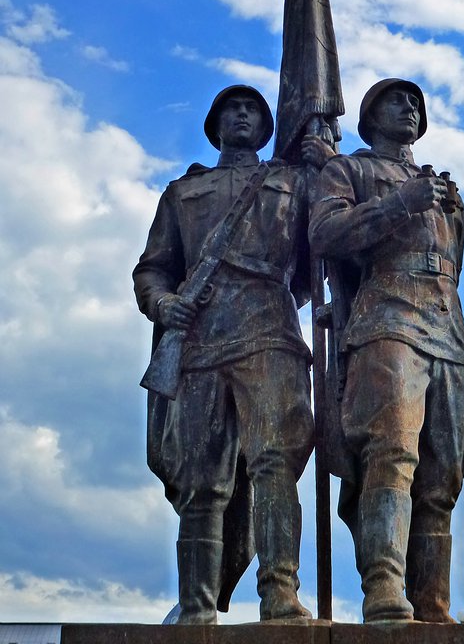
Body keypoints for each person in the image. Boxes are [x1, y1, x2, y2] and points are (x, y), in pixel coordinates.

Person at [133, 85, 329, 624]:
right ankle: (198, 607)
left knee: (275, 465)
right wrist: (163, 303)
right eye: (231, 109)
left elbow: (322, 261)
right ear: (215, 123)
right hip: (197, 342)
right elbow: (153, 267)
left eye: (252, 110)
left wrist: (327, 166)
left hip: (270, 334)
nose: (241, 115)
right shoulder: (182, 192)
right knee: (201, 481)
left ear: (267, 129)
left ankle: (280, 597)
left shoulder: (293, 184)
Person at [309, 78, 464, 623]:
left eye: (415, 102)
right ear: (369, 115)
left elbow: (454, 265)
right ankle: (384, 588)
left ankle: (432, 604)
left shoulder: (445, 190)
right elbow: (325, 234)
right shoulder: (349, 170)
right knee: (392, 454)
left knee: (443, 471)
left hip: (446, 330)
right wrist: (400, 204)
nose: (408, 107)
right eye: (395, 99)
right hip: (386, 318)